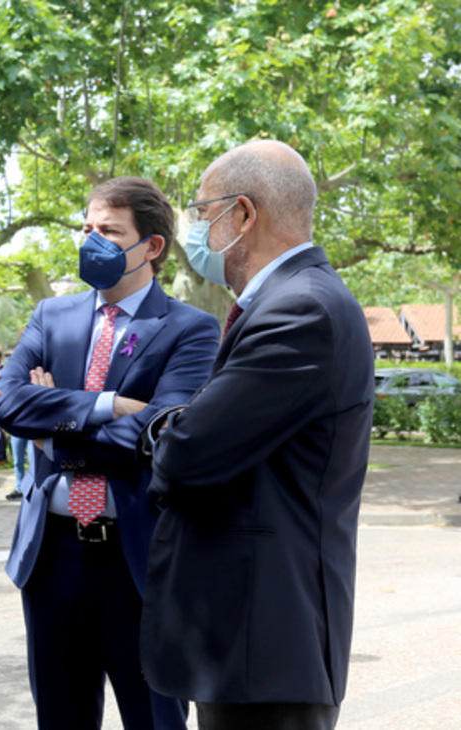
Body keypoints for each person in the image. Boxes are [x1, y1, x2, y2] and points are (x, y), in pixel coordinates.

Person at [138, 140, 373, 730]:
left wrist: (159, 423)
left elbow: (186, 458)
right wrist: (179, 421)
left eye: (199, 212)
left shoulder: (299, 311)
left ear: (242, 214)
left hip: (266, 641)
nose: (195, 231)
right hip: (249, 638)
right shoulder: (288, 300)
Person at [0, 176, 220, 729]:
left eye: (110, 232)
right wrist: (109, 404)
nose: (91, 241)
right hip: (52, 560)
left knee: (156, 720)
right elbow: (8, 404)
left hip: (139, 560)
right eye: (87, 228)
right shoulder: (53, 314)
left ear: (153, 247)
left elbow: (156, 437)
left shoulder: (192, 330)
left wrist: (51, 427)